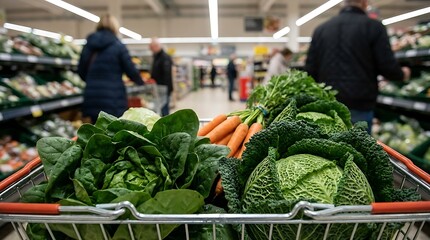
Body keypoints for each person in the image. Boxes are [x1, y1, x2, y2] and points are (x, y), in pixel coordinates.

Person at [305, 0, 410, 133]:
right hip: (359, 102)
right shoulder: (374, 27)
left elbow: (310, 70)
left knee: (327, 149)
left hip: (327, 103)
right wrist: (402, 73)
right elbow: (386, 66)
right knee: (358, 149)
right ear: (364, 3)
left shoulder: (321, 29)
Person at [78, 14, 144, 123]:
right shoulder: (118, 46)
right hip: (114, 97)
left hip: (93, 96)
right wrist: (140, 82)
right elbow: (130, 69)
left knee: (96, 129)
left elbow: (81, 70)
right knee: (114, 130)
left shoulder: (89, 45)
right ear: (115, 26)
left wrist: (93, 81)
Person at [149, 38, 173, 116]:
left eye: (151, 48)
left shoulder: (164, 57)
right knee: (161, 108)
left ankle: (166, 127)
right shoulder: (157, 57)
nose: (150, 50)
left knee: (164, 109)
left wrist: (166, 90)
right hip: (159, 87)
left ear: (156, 46)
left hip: (163, 88)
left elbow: (166, 74)